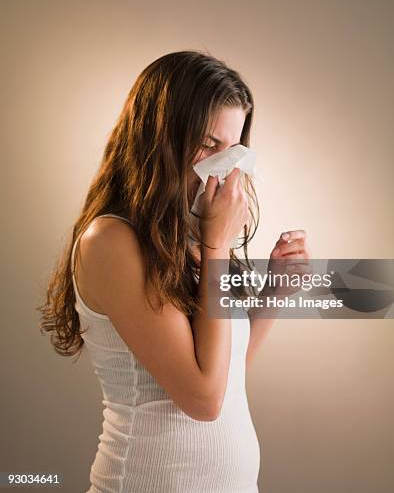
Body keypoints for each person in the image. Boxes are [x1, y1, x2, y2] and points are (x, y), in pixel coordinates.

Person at [38, 50, 308, 492]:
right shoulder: (111, 241)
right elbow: (202, 399)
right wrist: (218, 244)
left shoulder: (188, 233)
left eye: (232, 149)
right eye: (207, 144)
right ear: (158, 137)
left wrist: (274, 295)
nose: (222, 166)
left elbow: (224, 375)